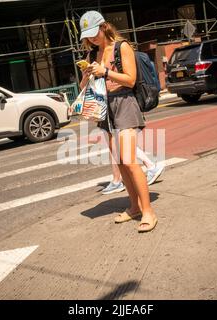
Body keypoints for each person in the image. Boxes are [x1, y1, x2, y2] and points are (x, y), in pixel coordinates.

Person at [79, 10, 158, 232]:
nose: (92, 38)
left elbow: (131, 80)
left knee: (130, 160)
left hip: (125, 103)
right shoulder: (92, 54)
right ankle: (134, 207)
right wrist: (85, 78)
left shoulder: (121, 47)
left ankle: (149, 212)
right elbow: (84, 89)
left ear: (104, 27)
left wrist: (105, 72)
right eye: (87, 35)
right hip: (106, 107)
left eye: (94, 33)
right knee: (121, 163)